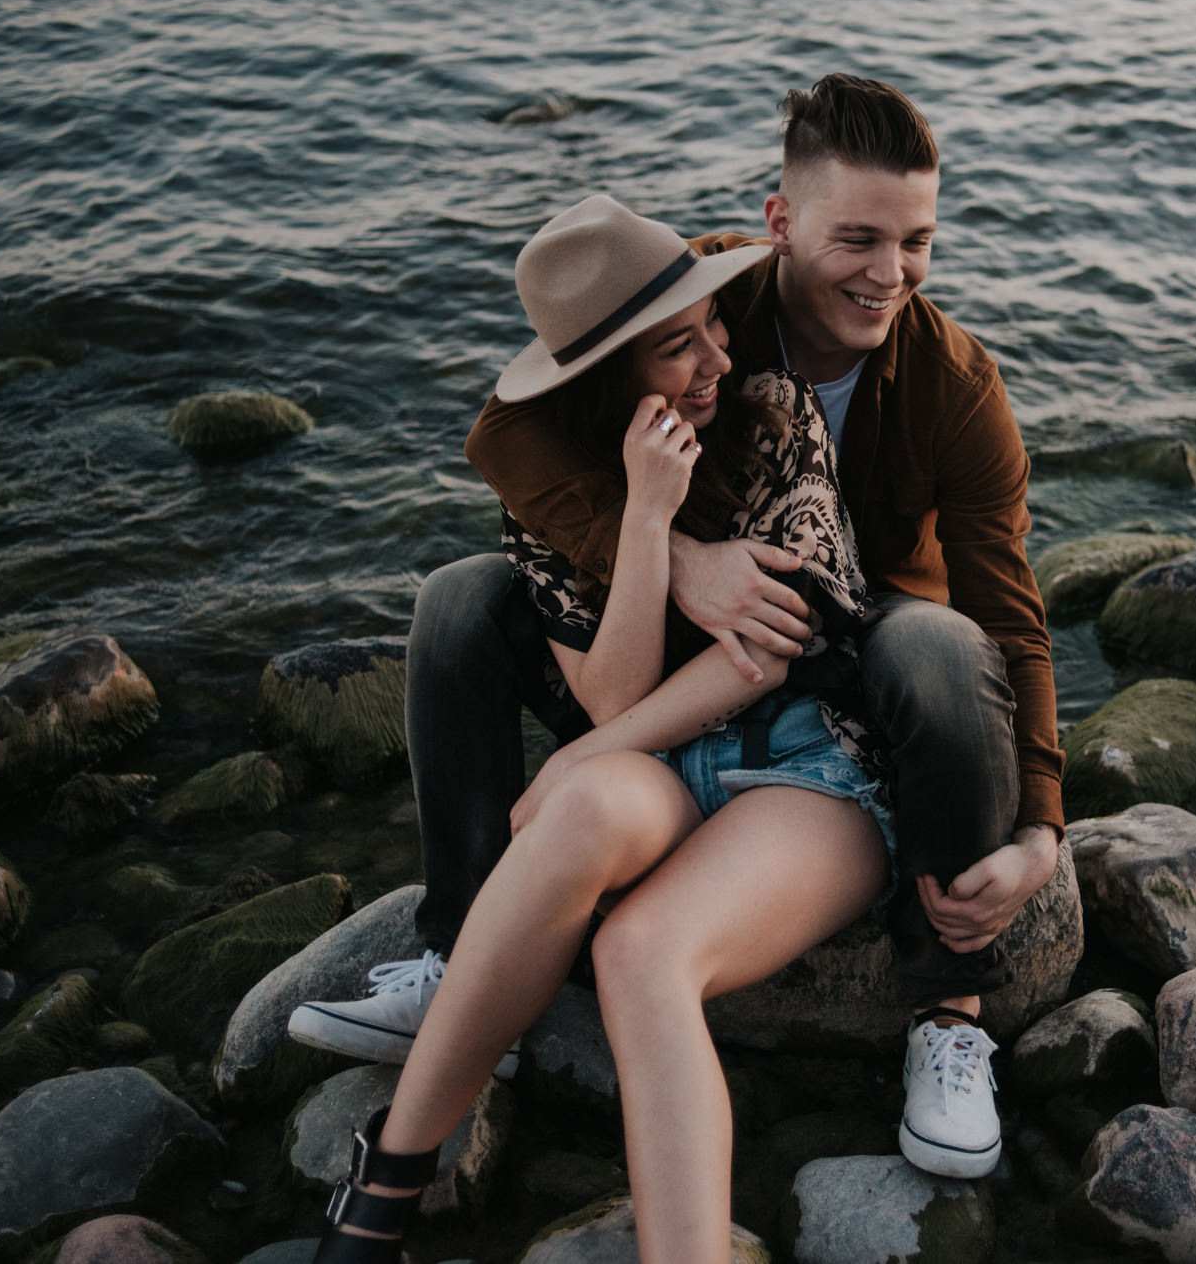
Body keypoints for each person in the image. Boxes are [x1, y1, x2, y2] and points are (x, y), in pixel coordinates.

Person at [290, 74, 1064, 1178]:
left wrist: (1039, 826)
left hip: (855, 636)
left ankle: (945, 1011)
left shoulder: (954, 385)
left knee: (936, 643)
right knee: (462, 599)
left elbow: (1010, 612)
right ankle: (462, 955)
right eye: (856, 237)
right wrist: (677, 558)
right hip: (669, 616)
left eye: (917, 241)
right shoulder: (703, 293)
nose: (888, 273)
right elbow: (508, 435)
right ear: (779, 221)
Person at [310, 193, 897, 1264]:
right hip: (663, 754)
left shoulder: (776, 415)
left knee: (637, 947)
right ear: (605, 380)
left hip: (809, 761)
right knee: (579, 807)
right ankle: (387, 1177)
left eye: (712, 325)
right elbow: (615, 701)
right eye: (679, 347)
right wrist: (643, 516)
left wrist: (585, 749)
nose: (716, 354)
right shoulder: (562, 494)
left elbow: (761, 651)